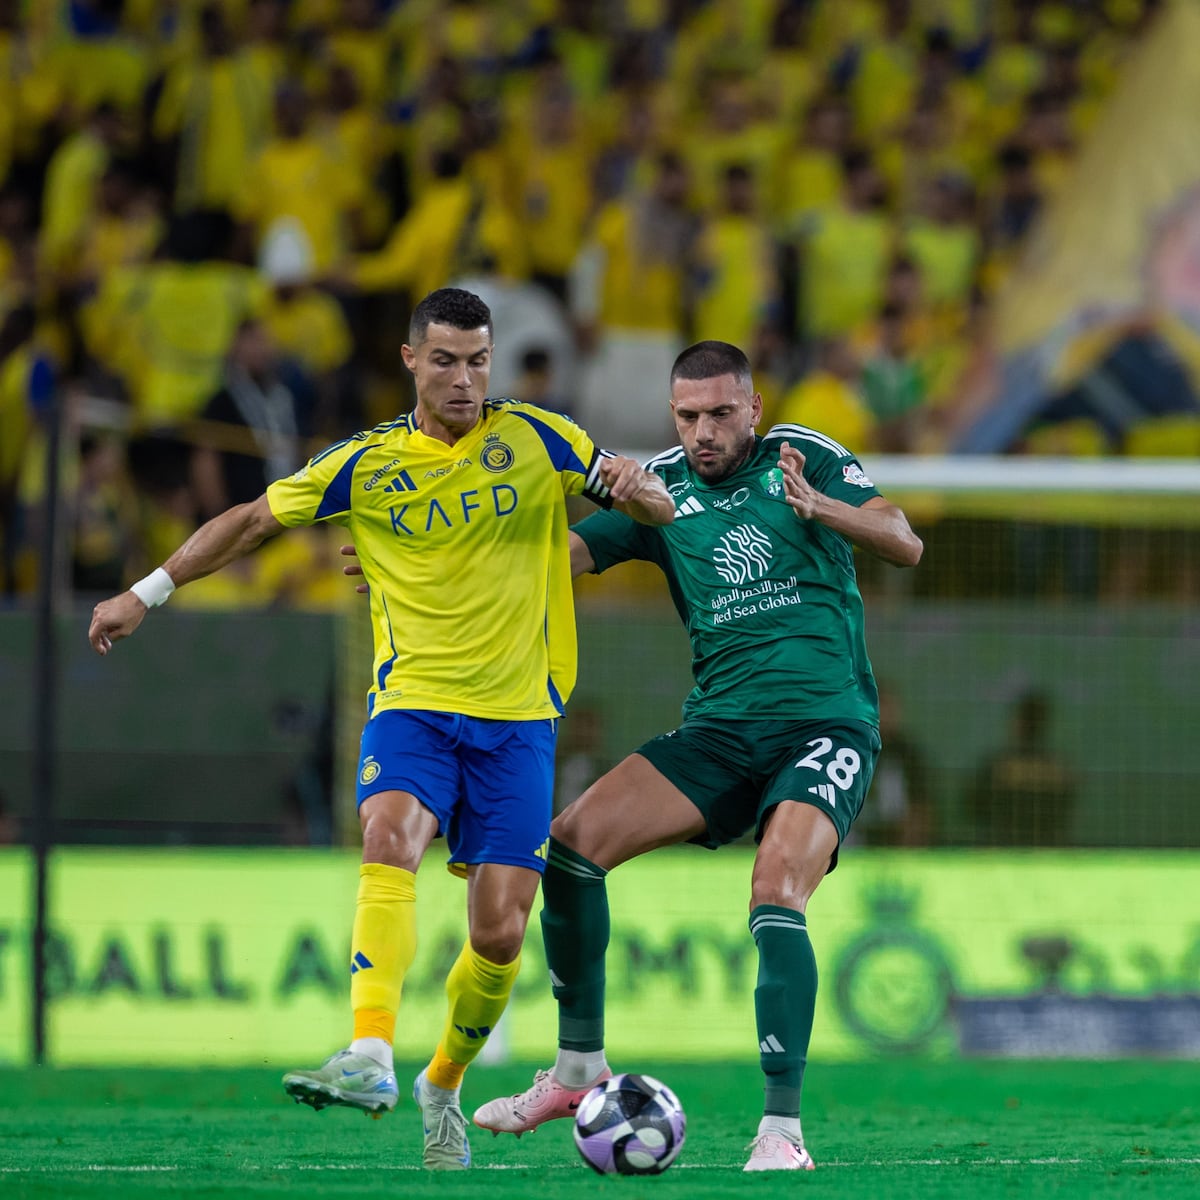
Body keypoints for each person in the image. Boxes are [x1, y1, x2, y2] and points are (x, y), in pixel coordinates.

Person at [86, 287, 674, 1170]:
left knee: (500, 934)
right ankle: (369, 1053)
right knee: (389, 833)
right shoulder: (364, 463)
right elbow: (250, 522)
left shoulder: (543, 438)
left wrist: (642, 492)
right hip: (413, 703)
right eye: (446, 360)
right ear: (410, 361)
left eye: (479, 360)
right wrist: (144, 593)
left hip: (519, 717)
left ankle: (443, 1081)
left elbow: (654, 510)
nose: (466, 379)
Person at [472, 340, 923, 1171]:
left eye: (721, 413)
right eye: (689, 416)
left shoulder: (804, 457)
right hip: (719, 733)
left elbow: (902, 539)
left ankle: (782, 1130)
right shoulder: (662, 490)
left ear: (753, 408)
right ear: (671, 415)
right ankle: (578, 1070)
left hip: (824, 728)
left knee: (775, 882)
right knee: (570, 844)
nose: (705, 430)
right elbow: (549, 561)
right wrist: (421, 565)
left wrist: (822, 510)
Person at [966, 689, 1076, 847]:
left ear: (1018, 723)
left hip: (1004, 850)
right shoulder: (1060, 770)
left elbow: (973, 809)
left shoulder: (999, 768)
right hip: (1047, 852)